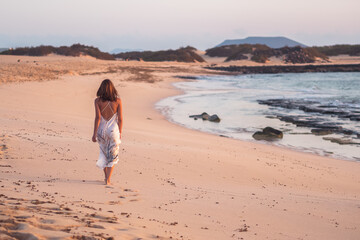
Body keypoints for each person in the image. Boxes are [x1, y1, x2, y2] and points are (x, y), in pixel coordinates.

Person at [92, 79, 123, 185]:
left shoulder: (97, 101)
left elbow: (97, 118)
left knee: (103, 154)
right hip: (113, 131)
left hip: (101, 131)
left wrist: (94, 134)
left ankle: (106, 177)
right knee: (112, 156)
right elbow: (120, 119)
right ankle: (108, 180)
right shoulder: (118, 101)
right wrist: (120, 133)